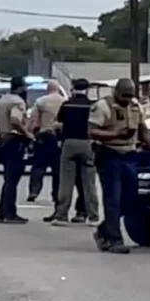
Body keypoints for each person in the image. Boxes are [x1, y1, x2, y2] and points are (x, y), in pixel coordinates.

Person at [88, 78, 150, 253]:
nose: (127, 99)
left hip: (130, 155)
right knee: (113, 198)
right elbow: (91, 130)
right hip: (109, 154)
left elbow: (144, 132)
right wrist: (114, 134)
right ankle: (114, 240)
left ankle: (104, 230)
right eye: (124, 95)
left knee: (131, 199)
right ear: (116, 91)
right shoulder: (103, 106)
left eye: (130, 95)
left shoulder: (135, 106)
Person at [45, 78, 100, 226]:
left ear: (73, 88)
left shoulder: (67, 104)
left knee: (66, 182)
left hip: (68, 143)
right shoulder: (93, 106)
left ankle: (61, 214)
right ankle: (93, 216)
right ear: (87, 89)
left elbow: (59, 124)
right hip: (87, 143)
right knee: (89, 183)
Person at [0, 76, 33, 224]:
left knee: (8, 178)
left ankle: (1, 213)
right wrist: (26, 133)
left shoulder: (2, 100)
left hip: (3, 139)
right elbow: (15, 119)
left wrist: (3, 125)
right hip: (15, 141)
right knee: (12, 179)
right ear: (21, 88)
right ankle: (9, 213)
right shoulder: (18, 102)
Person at [27, 80, 65, 202]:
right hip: (59, 137)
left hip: (44, 136)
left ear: (48, 89)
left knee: (38, 166)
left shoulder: (41, 101)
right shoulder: (65, 102)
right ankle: (56, 193)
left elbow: (34, 121)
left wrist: (32, 134)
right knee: (57, 168)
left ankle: (34, 190)